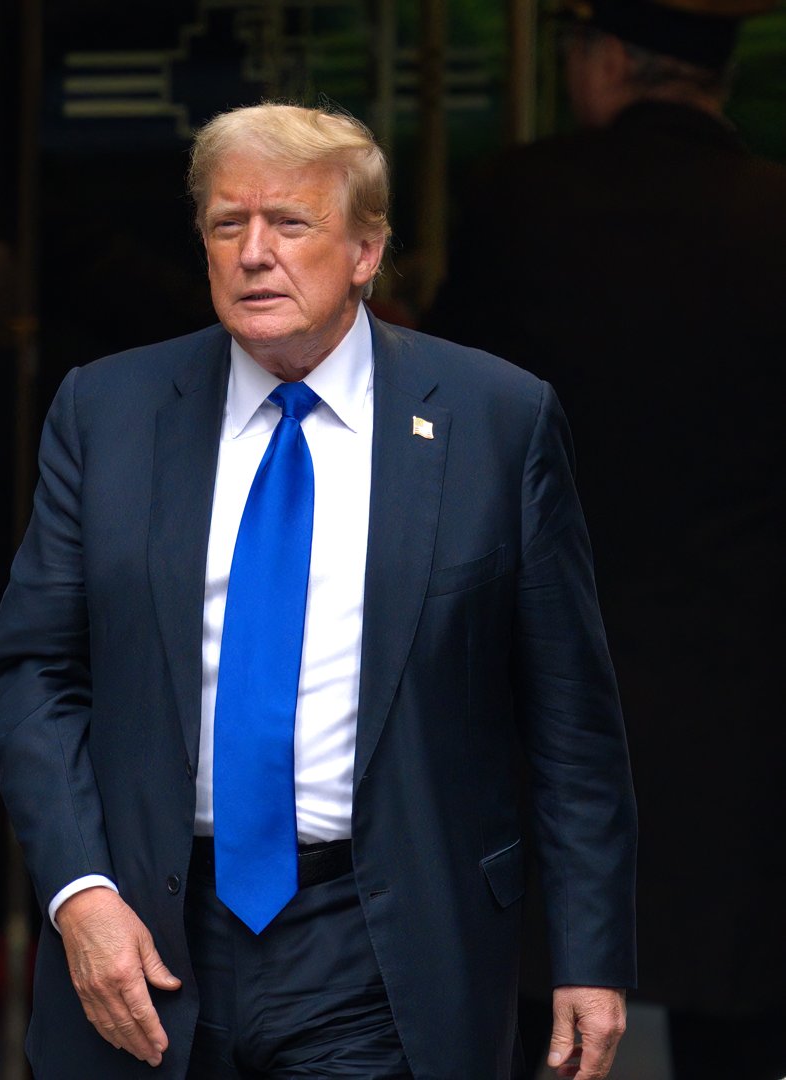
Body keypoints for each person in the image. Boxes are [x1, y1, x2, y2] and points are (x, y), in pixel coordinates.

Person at [0, 102, 637, 1080]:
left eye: (289, 224)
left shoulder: (492, 421)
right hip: (151, 925)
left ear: (367, 251)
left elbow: (568, 716)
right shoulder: (107, 411)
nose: (254, 254)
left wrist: (590, 958)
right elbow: (34, 669)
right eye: (225, 224)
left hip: (383, 938)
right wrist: (79, 894)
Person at [421, 1, 786, 1076]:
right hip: (747, 680)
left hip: (554, 666)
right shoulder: (776, 215)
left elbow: (449, 412)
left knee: (539, 1002)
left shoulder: (525, 200)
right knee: (745, 997)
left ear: (612, 59)